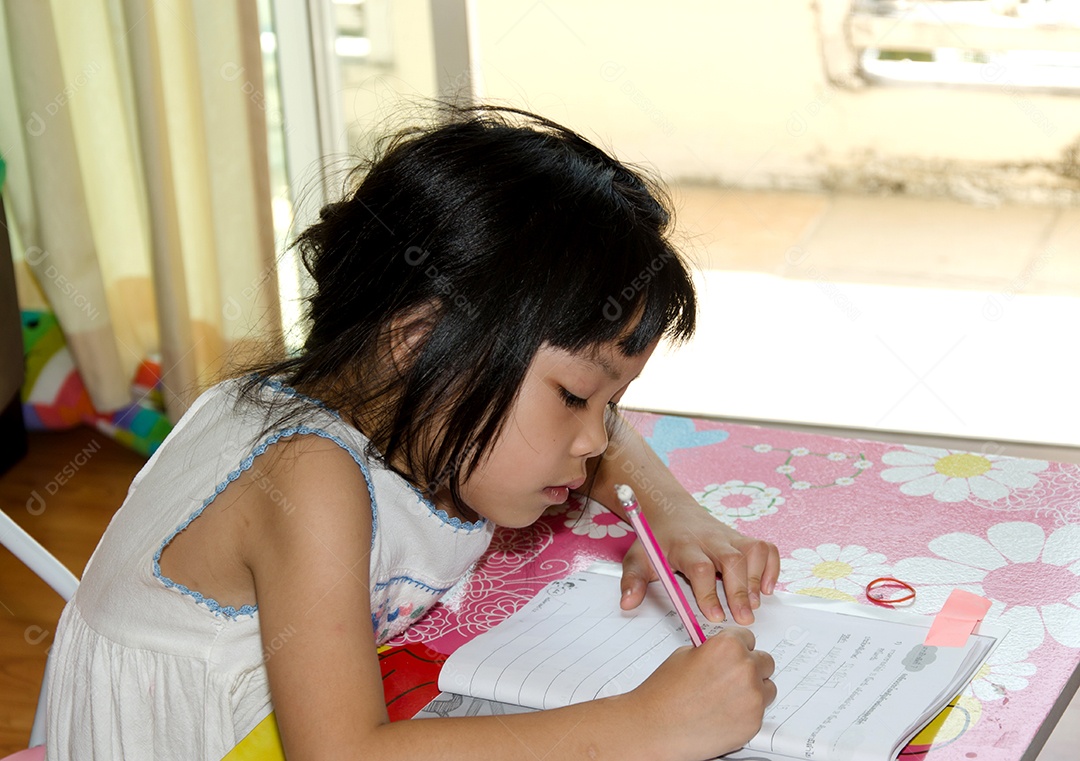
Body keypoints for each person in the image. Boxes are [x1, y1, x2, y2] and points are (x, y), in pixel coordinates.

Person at [46, 105, 779, 760]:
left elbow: (600, 430)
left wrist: (670, 508)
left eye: (609, 401)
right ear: (421, 340)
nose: (592, 438)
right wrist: (643, 726)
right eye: (575, 396)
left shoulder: (390, 401)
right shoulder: (309, 478)